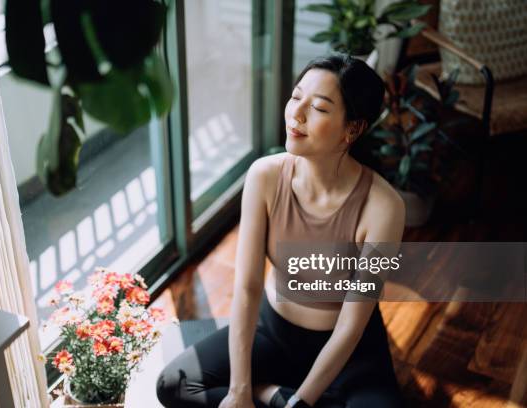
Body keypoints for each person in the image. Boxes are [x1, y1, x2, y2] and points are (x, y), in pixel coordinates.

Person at [156, 53, 406, 408]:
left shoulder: (385, 207)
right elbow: (247, 286)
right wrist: (241, 389)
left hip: (349, 353)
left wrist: (301, 403)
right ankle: (269, 393)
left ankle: (290, 396)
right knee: (173, 384)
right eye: (295, 97)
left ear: (352, 128)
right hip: (273, 334)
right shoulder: (265, 176)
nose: (296, 114)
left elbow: (352, 325)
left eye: (319, 108)